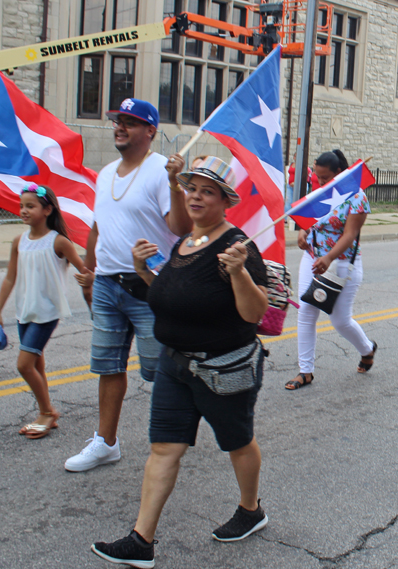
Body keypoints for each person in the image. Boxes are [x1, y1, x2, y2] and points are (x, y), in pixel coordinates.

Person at [91, 156, 269, 568]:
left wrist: (239, 273)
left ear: (225, 201)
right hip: (176, 365)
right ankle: (141, 541)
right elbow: (172, 296)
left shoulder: (238, 246)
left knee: (237, 442)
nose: (194, 197)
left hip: (222, 369)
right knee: (163, 449)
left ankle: (250, 510)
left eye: (207, 191)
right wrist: (142, 270)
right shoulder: (185, 241)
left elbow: (254, 313)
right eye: (191, 189)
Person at [64, 98, 192, 472]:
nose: (120, 127)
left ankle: (184, 428)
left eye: (130, 122)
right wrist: (90, 270)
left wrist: (174, 184)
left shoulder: (159, 171)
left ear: (150, 131)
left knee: (161, 370)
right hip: (107, 284)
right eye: (118, 121)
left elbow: (181, 229)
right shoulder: (105, 174)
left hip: (150, 285)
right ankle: (105, 443)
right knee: (108, 366)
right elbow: (98, 227)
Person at [0, 183, 93, 438]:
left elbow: (84, 270)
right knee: (37, 365)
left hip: (46, 313)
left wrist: (88, 279)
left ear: (47, 210)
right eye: (21, 206)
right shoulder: (19, 241)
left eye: (30, 206)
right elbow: (9, 278)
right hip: (24, 312)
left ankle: (47, 412)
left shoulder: (59, 242)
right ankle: (45, 411)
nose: (24, 211)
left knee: (24, 365)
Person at [285, 149, 377, 391]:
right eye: (317, 178)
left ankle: (367, 349)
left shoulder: (357, 197)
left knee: (340, 320)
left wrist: (328, 257)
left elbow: (350, 235)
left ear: (339, 173)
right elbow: (309, 222)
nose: (321, 183)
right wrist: (303, 233)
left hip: (341, 264)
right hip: (313, 259)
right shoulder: (319, 192)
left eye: (325, 178)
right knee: (306, 311)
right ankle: (305, 371)